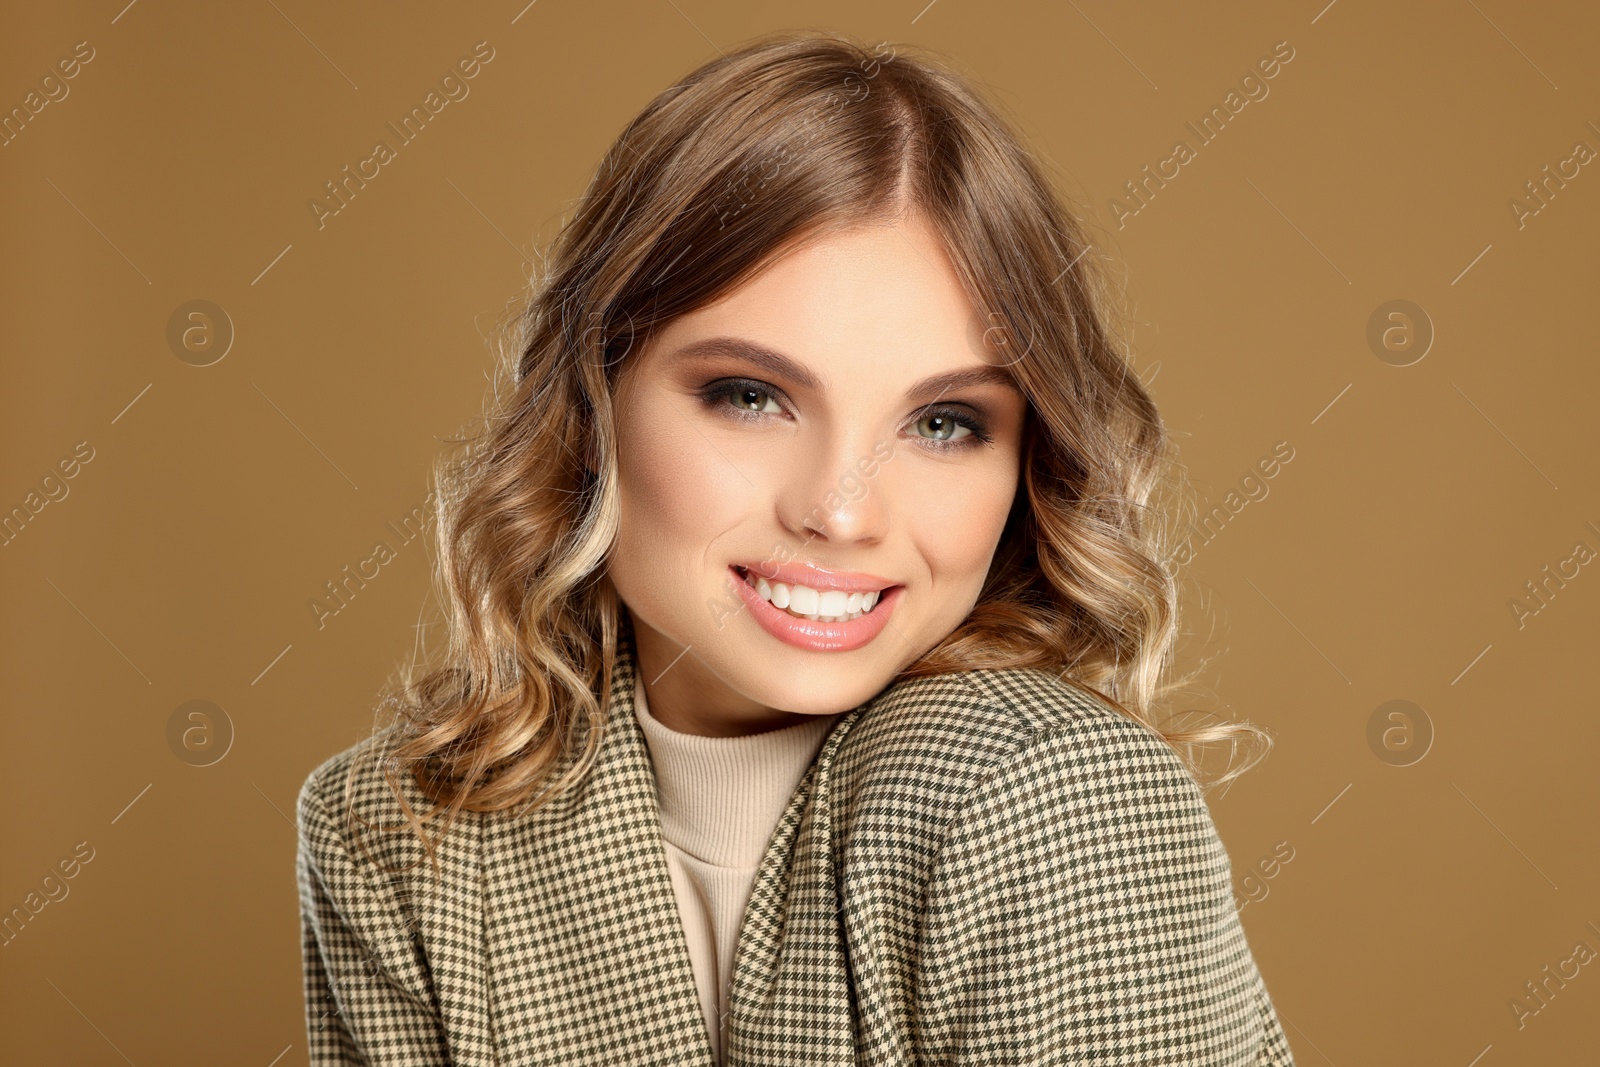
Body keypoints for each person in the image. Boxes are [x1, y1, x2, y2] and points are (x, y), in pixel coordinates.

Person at [296, 28, 1297, 1066]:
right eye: (749, 395)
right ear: (591, 402)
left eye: (945, 420)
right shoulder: (396, 833)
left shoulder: (1045, 793)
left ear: (1025, 459)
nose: (841, 510)